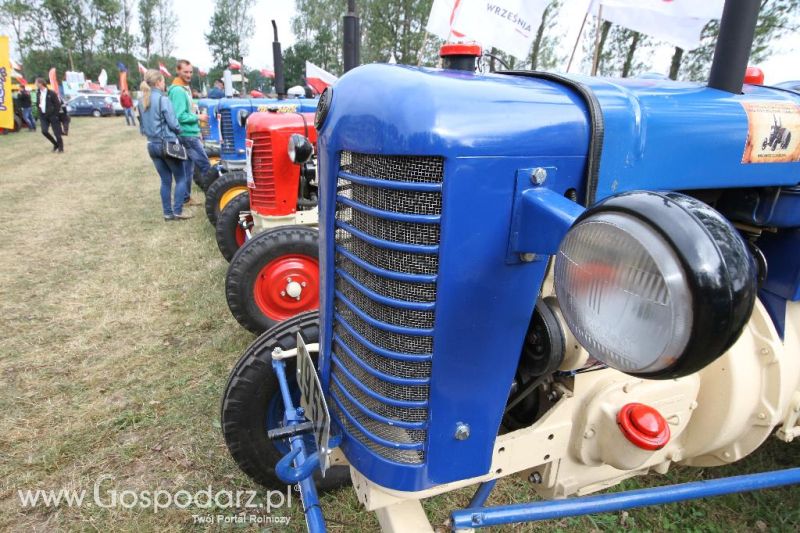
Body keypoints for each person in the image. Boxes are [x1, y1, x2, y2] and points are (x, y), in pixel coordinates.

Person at [138, 69, 192, 221]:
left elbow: (142, 127)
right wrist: (181, 131)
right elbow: (173, 123)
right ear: (158, 82)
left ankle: (167, 213)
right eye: (163, 81)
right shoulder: (163, 100)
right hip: (167, 144)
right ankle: (177, 211)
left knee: (165, 180)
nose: (164, 84)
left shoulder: (141, 102)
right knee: (181, 177)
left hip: (152, 145)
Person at [168, 59, 210, 207]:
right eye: (185, 72)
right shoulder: (179, 91)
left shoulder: (183, 88)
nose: (189, 74)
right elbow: (180, 115)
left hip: (187, 133)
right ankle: (214, 197)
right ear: (178, 71)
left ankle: (185, 198)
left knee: (187, 167)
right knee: (205, 165)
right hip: (187, 134)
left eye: (191, 72)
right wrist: (198, 117)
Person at [35, 77, 64, 152]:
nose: (35, 84)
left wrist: (55, 114)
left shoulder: (51, 93)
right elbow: (38, 103)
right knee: (44, 131)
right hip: (43, 116)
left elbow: (58, 105)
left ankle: (61, 148)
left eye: (36, 83)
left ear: (41, 83)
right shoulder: (38, 93)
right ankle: (55, 144)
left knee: (57, 133)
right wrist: (40, 111)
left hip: (52, 115)